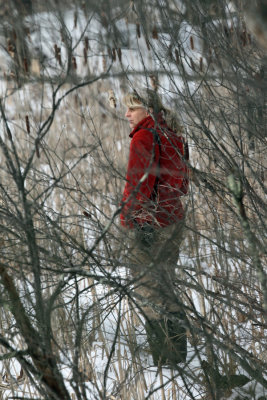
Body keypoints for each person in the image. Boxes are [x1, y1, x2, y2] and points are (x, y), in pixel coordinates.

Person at [120, 89, 189, 367]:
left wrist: (134, 220)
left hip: (151, 223)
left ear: (147, 110)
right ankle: (178, 353)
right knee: (166, 281)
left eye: (132, 109)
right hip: (174, 219)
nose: (127, 114)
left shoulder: (144, 137)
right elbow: (183, 182)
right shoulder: (173, 133)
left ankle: (165, 358)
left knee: (148, 286)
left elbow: (139, 184)